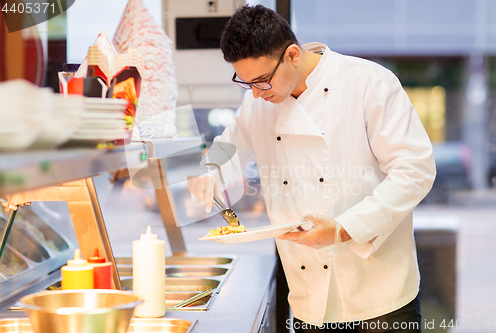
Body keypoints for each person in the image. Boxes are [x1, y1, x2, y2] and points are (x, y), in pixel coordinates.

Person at [187, 4, 436, 333]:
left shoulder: (368, 82)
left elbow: (415, 170)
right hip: (310, 296)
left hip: (381, 294)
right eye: (245, 82)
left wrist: (343, 229)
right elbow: (229, 144)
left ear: (292, 54)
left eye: (262, 81)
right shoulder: (257, 101)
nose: (257, 95)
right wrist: (210, 172)